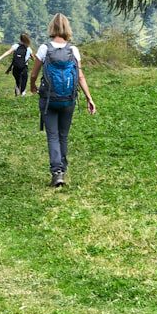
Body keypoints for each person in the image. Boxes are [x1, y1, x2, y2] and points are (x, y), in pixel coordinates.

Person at [29, 13, 97, 188]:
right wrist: (89, 98)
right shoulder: (73, 50)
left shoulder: (44, 49)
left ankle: (56, 172)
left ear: (51, 28)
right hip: (68, 99)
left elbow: (34, 73)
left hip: (49, 99)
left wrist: (32, 86)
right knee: (63, 135)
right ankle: (63, 169)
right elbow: (80, 76)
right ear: (67, 28)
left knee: (52, 136)